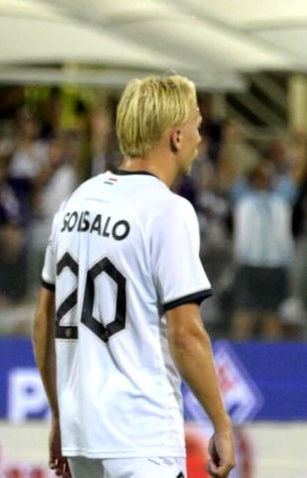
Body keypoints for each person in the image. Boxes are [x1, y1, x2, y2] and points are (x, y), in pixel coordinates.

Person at [34, 74, 235, 478]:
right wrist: (222, 424)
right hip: (141, 435)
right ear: (176, 136)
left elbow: (44, 322)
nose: (200, 137)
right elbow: (185, 334)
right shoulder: (167, 210)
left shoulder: (78, 200)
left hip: (82, 434)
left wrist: (58, 414)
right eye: (197, 125)